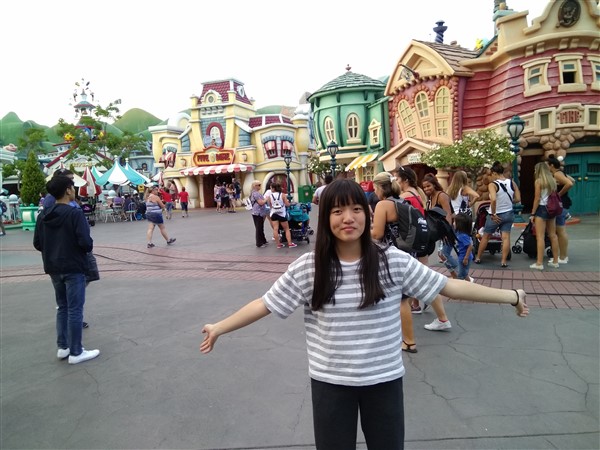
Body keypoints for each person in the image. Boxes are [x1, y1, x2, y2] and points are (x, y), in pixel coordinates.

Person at [200, 178, 529, 449]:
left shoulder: (392, 261)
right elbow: (265, 303)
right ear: (326, 218)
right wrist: (219, 327)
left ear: (368, 214)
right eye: (338, 210)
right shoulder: (309, 268)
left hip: (383, 381)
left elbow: (449, 287)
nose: (348, 218)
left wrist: (511, 296)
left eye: (356, 209)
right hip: (330, 384)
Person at [33, 175, 99, 364]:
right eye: (72, 187)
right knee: (75, 309)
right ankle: (76, 351)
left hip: (53, 267)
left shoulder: (43, 215)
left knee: (62, 307)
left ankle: (63, 347)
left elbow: (37, 243)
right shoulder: (74, 214)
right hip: (73, 266)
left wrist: (53, 249)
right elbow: (86, 243)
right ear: (68, 190)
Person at [474, 161, 521, 268]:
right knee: (506, 237)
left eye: (491, 175)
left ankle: (478, 257)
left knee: (486, 236)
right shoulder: (512, 183)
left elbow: (493, 200)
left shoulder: (493, 185)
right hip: (509, 213)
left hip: (496, 214)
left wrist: (493, 214)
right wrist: (508, 202)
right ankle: (503, 261)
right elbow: (518, 199)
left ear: (495, 173)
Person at [442, 171, 480, 270]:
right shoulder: (464, 188)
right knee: (465, 239)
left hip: (454, 216)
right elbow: (477, 195)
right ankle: (464, 262)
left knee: (452, 241)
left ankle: (456, 265)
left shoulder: (450, 189)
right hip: (463, 217)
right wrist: (470, 204)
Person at [529, 162, 560, 270]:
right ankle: (555, 261)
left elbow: (537, 198)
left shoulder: (539, 181)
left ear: (538, 170)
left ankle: (539, 263)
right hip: (551, 209)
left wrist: (532, 213)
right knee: (553, 235)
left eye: (535, 169)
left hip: (542, 209)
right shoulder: (552, 181)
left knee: (540, 237)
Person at [547, 155, 574, 264]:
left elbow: (569, 183)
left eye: (547, 165)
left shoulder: (557, 174)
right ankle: (561, 256)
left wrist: (559, 194)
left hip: (560, 205)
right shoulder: (560, 173)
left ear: (551, 165)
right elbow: (572, 180)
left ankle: (563, 257)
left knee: (560, 231)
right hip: (563, 204)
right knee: (560, 231)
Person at [268, 182, 296, 248]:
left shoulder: (270, 196)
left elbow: (270, 205)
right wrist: (290, 204)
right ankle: (290, 243)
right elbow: (287, 204)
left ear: (274, 188)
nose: (270, 189)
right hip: (282, 214)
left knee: (275, 229)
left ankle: (278, 244)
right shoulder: (282, 195)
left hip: (274, 213)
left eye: (271, 188)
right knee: (286, 229)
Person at [453, 213, 475, 282]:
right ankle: (470, 284)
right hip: (461, 256)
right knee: (464, 273)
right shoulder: (459, 233)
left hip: (464, 257)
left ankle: (463, 286)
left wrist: (466, 258)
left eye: (455, 222)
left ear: (460, 225)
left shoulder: (463, 236)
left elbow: (470, 246)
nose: (453, 223)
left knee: (461, 275)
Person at [248, 180, 268, 247]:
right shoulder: (256, 193)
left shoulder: (253, 193)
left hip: (257, 212)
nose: (260, 186)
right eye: (259, 185)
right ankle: (259, 243)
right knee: (259, 227)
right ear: (255, 186)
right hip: (258, 212)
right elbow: (261, 203)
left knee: (260, 227)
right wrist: (266, 199)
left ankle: (263, 240)